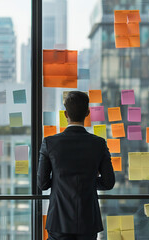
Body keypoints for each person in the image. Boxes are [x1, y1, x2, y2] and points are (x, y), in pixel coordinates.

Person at [38, 91, 115, 240]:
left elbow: (42, 184)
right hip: (88, 221)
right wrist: (89, 180)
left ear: (66, 114)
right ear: (87, 113)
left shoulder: (49, 143)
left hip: (59, 221)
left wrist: (62, 180)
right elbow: (108, 182)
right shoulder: (98, 143)